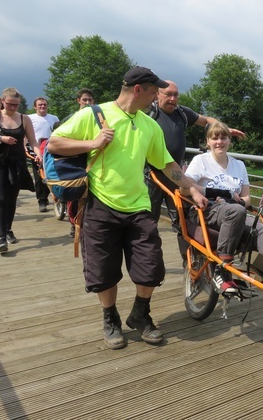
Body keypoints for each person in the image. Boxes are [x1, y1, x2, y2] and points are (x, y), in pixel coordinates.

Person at [47, 66, 208, 350]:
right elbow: (54, 144)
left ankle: (140, 313)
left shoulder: (149, 125)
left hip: (139, 207)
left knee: (151, 268)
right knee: (103, 271)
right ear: (138, 90)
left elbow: (167, 164)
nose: (156, 96)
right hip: (100, 204)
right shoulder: (94, 114)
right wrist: (92, 142)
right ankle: (110, 318)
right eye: (153, 91)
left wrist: (191, 187)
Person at [185, 122, 263, 295]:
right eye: (214, 138)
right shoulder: (200, 161)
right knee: (236, 211)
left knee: (259, 227)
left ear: (230, 140)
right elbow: (185, 187)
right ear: (207, 141)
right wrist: (222, 193)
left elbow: (246, 199)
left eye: (223, 137)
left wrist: (236, 200)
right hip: (207, 209)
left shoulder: (239, 165)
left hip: (233, 210)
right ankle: (222, 270)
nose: (219, 142)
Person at [146, 80, 244, 228]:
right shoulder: (148, 113)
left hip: (175, 175)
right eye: (168, 95)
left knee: (182, 220)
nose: (173, 99)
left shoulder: (182, 113)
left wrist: (224, 129)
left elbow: (206, 120)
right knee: (148, 219)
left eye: (176, 95)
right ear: (158, 94)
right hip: (152, 175)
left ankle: (187, 250)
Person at [0, 88, 39, 252]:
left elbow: (32, 141)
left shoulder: (24, 118)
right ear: (3, 102)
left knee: (12, 200)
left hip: (17, 164)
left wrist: (39, 155)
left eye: (16, 105)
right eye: (10, 104)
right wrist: (1, 138)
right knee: (2, 198)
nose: (13, 107)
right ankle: (1, 238)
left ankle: (9, 229)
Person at [62, 87, 96, 238]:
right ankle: (74, 223)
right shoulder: (70, 119)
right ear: (78, 101)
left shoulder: (98, 119)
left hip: (93, 160)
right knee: (75, 196)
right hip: (75, 160)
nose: (87, 102)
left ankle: (87, 224)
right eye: (84, 100)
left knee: (91, 195)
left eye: (90, 100)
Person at [28, 97, 60, 212]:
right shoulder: (30, 118)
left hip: (51, 150)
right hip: (36, 151)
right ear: (35, 107)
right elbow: (26, 135)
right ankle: (41, 200)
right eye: (40, 105)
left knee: (51, 174)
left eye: (44, 104)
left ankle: (51, 196)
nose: (42, 107)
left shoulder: (54, 118)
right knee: (39, 176)